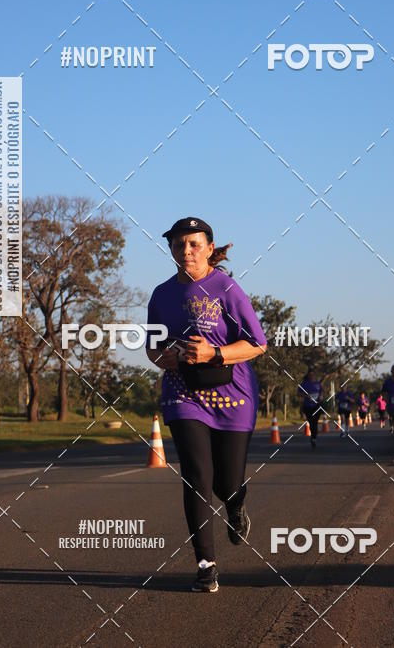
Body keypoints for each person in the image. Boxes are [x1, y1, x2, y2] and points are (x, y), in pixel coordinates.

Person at [145, 217, 267, 594]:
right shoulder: (161, 295)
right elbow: (152, 347)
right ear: (170, 249)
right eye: (178, 244)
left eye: (194, 244)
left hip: (233, 395)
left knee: (226, 482)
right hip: (183, 393)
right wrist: (163, 357)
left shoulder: (226, 288)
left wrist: (214, 353)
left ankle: (235, 503)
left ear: (209, 248)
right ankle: (205, 566)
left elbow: (257, 344)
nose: (186, 251)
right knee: (196, 476)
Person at [298, 369, 324, 448]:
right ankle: (313, 436)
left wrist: (321, 396)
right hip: (308, 406)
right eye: (310, 375)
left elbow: (321, 391)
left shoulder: (318, 384)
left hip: (316, 406)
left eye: (313, 375)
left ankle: (314, 437)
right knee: (311, 422)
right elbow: (298, 393)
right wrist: (306, 395)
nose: (312, 376)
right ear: (308, 376)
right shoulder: (304, 384)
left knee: (315, 422)